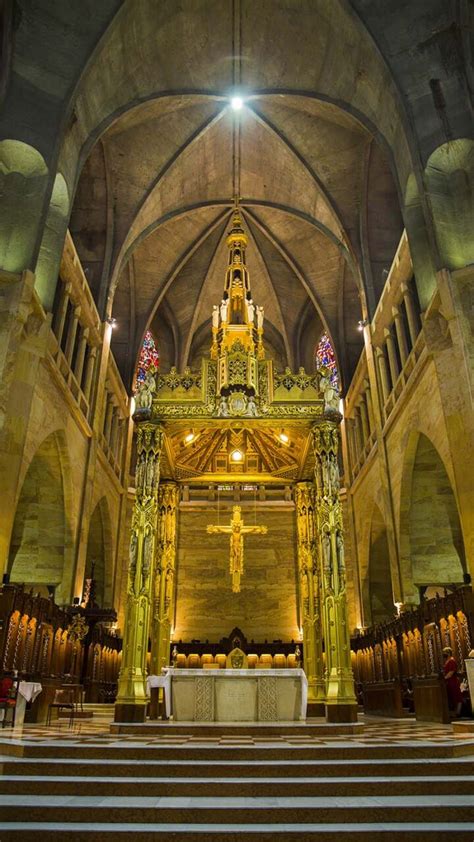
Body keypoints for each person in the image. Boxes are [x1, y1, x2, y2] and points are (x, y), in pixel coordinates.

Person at [443, 646, 463, 716]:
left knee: (456, 696)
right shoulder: (447, 661)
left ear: (448, 653)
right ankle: (454, 712)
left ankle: (458, 712)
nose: (443, 654)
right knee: (452, 697)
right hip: (448, 682)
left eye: (445, 652)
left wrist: (445, 678)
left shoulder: (452, 661)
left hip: (452, 681)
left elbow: (451, 672)